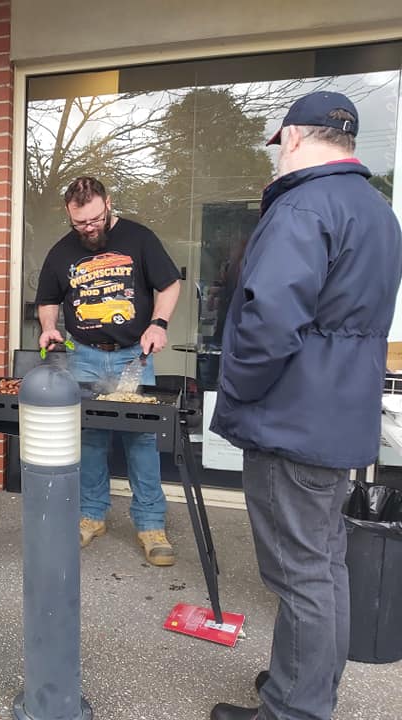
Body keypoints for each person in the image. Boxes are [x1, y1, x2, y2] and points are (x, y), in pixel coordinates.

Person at [209, 92, 402, 720]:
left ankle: (297, 709)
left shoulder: (302, 206)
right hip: (337, 414)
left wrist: (237, 391)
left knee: (302, 576)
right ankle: (303, 689)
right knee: (323, 567)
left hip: (291, 419)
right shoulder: (376, 210)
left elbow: (268, 321)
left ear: (292, 138)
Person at [35, 176, 181, 566]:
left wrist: (159, 324)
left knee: (141, 441)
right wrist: (49, 327)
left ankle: (151, 524)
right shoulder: (62, 252)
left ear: (108, 204)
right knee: (91, 437)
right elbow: (48, 298)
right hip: (82, 354)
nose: (90, 228)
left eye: (96, 219)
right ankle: (92, 515)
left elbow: (169, 285)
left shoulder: (139, 238)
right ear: (70, 215)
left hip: (134, 354)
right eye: (80, 223)